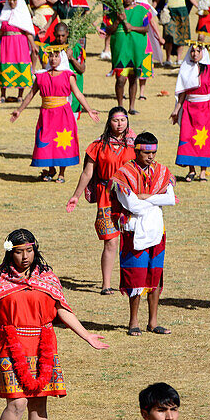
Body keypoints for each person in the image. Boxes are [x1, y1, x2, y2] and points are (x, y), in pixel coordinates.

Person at [0, 229, 108, 420]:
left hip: (43, 345)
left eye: (29, 251)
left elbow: (61, 309)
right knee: (17, 403)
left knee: (40, 404)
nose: (25, 257)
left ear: (35, 250)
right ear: (10, 252)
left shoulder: (47, 278)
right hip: (9, 346)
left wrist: (86, 336)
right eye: (19, 252)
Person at [66, 107, 136, 294]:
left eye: (123, 120)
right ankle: (106, 284)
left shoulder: (136, 145)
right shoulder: (97, 145)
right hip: (106, 195)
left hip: (131, 196)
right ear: (109, 122)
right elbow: (87, 173)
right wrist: (76, 196)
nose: (119, 124)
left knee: (132, 240)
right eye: (115, 120)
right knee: (110, 241)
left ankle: (132, 282)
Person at [110, 133, 175, 335]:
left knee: (155, 276)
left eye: (154, 153)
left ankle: (153, 322)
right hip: (133, 230)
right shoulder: (124, 174)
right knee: (135, 277)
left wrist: (145, 196)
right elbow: (132, 205)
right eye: (147, 153)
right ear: (137, 151)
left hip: (156, 230)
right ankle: (133, 322)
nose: (151, 157)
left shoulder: (162, 172)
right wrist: (156, 198)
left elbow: (170, 199)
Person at [9, 45, 99, 182]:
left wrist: (89, 109)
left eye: (56, 56)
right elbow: (30, 95)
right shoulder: (41, 76)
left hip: (63, 114)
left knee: (62, 143)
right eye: (51, 56)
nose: (53, 59)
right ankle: (51, 170)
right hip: (46, 115)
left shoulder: (68, 75)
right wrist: (19, 110)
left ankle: (61, 173)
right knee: (46, 141)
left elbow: (78, 94)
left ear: (61, 58)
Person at [172, 41, 210, 181]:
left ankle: (203, 171)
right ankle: (191, 170)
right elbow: (183, 93)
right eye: (192, 51)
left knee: (204, 139)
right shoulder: (186, 69)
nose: (195, 54)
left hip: (204, 110)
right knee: (187, 137)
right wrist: (176, 110)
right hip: (189, 109)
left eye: (198, 51)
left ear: (203, 53)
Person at [109, 0, 151, 114]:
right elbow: (108, 30)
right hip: (121, 49)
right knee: (121, 79)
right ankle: (120, 106)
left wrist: (131, 27)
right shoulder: (115, 11)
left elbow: (146, 28)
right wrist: (117, 20)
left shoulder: (142, 10)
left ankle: (132, 107)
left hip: (136, 49)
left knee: (133, 78)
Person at [0, 0, 38, 102]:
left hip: (20, 43)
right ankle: (3, 95)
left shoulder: (23, 14)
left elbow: (27, 31)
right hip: (7, 44)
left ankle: (20, 96)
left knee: (20, 67)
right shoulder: (5, 13)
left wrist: (33, 45)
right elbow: (0, 32)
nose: (12, 2)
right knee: (5, 68)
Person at [153, 0, 198, 66]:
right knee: (169, 36)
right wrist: (150, 9)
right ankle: (168, 59)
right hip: (169, 14)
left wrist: (198, 7)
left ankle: (179, 58)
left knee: (181, 36)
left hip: (182, 13)